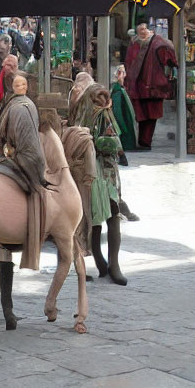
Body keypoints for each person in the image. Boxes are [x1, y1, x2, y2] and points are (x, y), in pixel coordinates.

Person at [69, 72, 127, 285]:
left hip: (106, 173)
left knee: (112, 214)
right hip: (92, 171)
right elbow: (114, 143)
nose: (103, 103)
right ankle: (102, 261)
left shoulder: (102, 113)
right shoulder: (89, 114)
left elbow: (116, 141)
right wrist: (101, 142)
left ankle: (112, 263)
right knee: (95, 216)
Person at [0, 72, 50, 269]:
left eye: (23, 84)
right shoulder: (25, 106)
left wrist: (5, 150)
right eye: (18, 84)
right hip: (23, 158)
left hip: (16, 157)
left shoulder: (17, 105)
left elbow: (0, 136)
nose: (21, 87)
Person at [124, 22, 178, 150]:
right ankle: (142, 141)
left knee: (151, 115)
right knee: (141, 115)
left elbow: (171, 61)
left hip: (153, 86)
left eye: (144, 29)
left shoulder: (159, 43)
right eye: (140, 29)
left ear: (149, 30)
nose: (142, 32)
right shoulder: (135, 44)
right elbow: (129, 62)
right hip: (138, 86)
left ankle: (145, 141)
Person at [110, 64, 136, 166]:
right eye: (121, 72)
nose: (123, 75)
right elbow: (117, 112)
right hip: (124, 133)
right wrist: (123, 128)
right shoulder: (117, 91)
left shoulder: (120, 89)